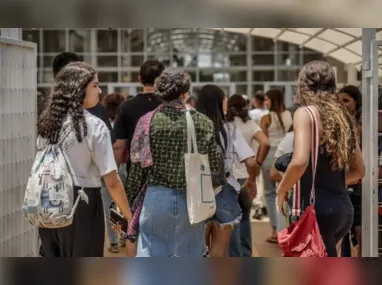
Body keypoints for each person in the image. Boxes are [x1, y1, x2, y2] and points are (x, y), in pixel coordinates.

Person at [37, 62, 131, 257]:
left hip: (47, 202)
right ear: (79, 89)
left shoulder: (48, 122)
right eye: (95, 85)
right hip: (83, 203)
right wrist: (128, 216)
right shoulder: (94, 126)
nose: (100, 90)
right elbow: (112, 182)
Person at [125, 68, 221, 257]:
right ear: (185, 92)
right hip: (192, 199)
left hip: (156, 198)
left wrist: (129, 203)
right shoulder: (203, 122)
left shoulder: (147, 122)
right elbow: (215, 163)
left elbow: (137, 170)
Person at [276, 60, 365, 257]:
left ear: (303, 84)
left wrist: (282, 190)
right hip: (342, 209)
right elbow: (359, 170)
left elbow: (299, 162)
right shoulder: (343, 116)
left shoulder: (305, 113)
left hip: (315, 210)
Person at [196, 85, 259, 257]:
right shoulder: (230, 129)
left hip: (198, 193)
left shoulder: (192, 129)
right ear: (217, 102)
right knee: (220, 252)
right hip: (225, 192)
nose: (226, 101)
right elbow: (251, 162)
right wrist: (252, 181)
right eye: (224, 98)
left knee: (199, 251)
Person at [113, 60, 164, 256]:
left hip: (134, 173)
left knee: (131, 227)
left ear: (140, 79)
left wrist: (115, 172)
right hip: (163, 174)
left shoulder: (126, 106)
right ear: (161, 80)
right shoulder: (168, 106)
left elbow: (119, 145)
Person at [226, 94, 270, 257]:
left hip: (229, 177)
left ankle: (235, 256)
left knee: (232, 218)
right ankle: (246, 254)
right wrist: (257, 162)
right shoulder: (250, 124)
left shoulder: (225, 125)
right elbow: (265, 143)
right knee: (245, 217)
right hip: (247, 177)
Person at [260, 89, 293, 244]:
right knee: (285, 192)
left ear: (273, 100)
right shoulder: (291, 116)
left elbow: (264, 142)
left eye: (266, 99)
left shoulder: (266, 118)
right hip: (286, 155)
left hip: (269, 155)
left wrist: (258, 159)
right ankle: (284, 229)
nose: (265, 102)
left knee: (269, 193)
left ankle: (275, 230)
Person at [101, 92, 127, 254]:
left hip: (106, 169)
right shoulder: (124, 124)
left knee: (109, 206)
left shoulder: (103, 125)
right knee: (125, 204)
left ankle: (112, 241)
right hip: (124, 167)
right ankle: (124, 234)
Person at [338, 85, 363, 257]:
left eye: (346, 100)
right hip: (343, 179)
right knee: (341, 230)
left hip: (361, 182)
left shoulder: (364, 124)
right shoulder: (338, 123)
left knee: (360, 226)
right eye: (339, 101)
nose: (342, 104)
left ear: (356, 102)